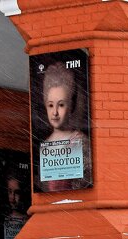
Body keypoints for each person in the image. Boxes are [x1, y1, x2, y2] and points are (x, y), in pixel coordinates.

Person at [37, 62, 91, 190]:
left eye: (61, 105)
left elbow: (82, 185)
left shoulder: (80, 141)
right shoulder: (45, 144)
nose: (55, 112)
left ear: (71, 106)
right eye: (50, 105)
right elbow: (46, 187)